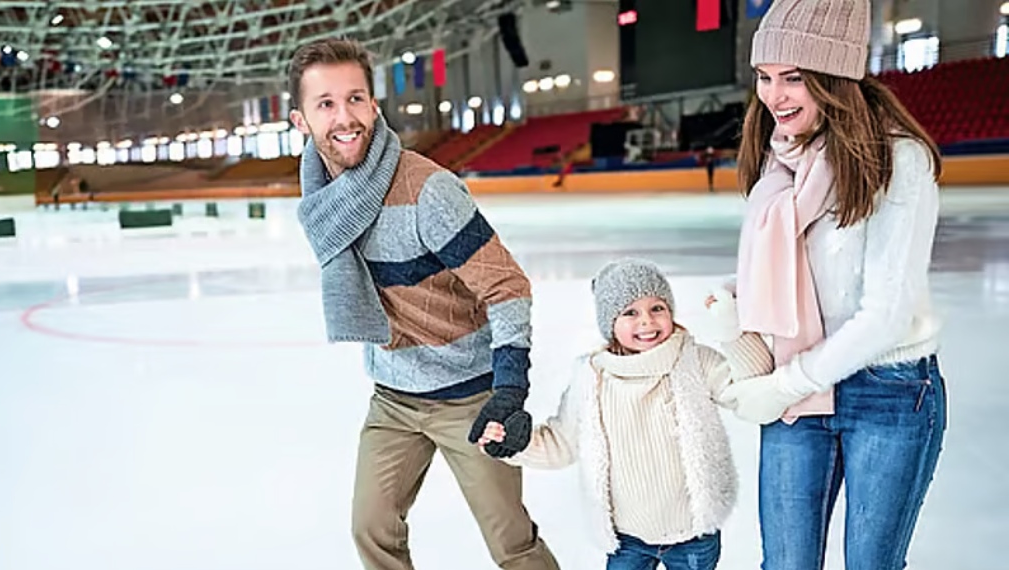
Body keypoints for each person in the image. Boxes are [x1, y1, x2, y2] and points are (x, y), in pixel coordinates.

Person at [288, 38, 560, 570]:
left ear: (374, 104)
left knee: (512, 542)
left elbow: (507, 287)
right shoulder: (323, 201)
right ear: (301, 120)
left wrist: (508, 391)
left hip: (468, 397)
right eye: (326, 104)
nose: (345, 117)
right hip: (393, 397)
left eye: (356, 99)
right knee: (371, 528)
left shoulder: (427, 192)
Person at [719, 0, 948, 568]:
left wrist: (785, 385)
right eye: (765, 78)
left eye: (793, 78)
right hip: (803, 390)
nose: (774, 96)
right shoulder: (783, 161)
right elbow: (790, 275)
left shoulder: (900, 159)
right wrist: (732, 305)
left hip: (889, 392)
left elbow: (885, 313)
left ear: (835, 75)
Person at [479, 258, 775, 570]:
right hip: (627, 539)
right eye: (630, 313)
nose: (647, 321)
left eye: (657, 308)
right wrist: (513, 445)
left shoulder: (695, 361)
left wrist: (733, 330)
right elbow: (561, 445)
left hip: (693, 534)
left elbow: (752, 386)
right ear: (610, 323)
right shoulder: (591, 377)